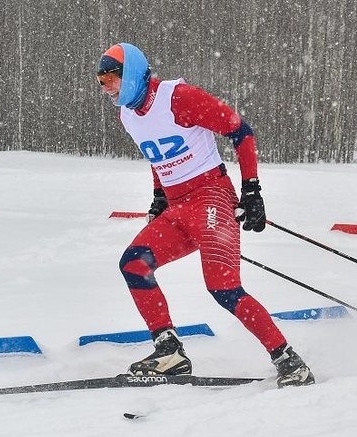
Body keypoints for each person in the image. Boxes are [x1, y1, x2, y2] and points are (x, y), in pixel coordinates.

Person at [96, 42, 314, 388]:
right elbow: (158, 157)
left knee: (223, 288)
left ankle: (289, 361)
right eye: (101, 81)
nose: (105, 88)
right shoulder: (127, 115)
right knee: (134, 263)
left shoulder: (178, 97)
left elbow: (240, 131)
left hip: (211, 198)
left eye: (109, 78)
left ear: (133, 75)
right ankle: (169, 352)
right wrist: (158, 198)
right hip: (178, 206)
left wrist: (252, 190)